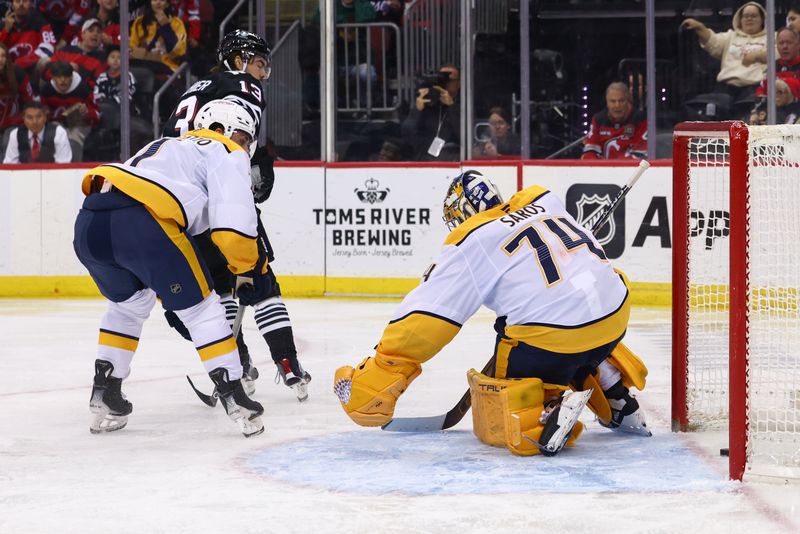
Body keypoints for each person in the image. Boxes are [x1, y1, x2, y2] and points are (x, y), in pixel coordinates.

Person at [333, 170, 650, 456]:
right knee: (569, 321)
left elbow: (424, 322)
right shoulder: (545, 201)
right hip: (615, 317)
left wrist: (380, 374)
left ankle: (546, 411)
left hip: (555, 336)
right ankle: (616, 395)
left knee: (497, 414)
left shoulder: (472, 240)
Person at [73, 99, 269, 437]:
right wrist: (248, 267)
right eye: (246, 138)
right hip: (143, 223)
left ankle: (105, 390)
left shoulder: (165, 144)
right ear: (226, 129)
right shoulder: (226, 151)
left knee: (127, 306)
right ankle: (234, 393)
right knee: (203, 310)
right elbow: (233, 227)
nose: (246, 148)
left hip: (91, 218)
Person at [162, 29, 312, 401]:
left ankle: (237, 364)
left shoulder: (193, 90)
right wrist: (260, 166)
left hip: (187, 205)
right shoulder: (243, 85)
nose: (263, 73)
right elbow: (240, 141)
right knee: (262, 284)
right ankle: (289, 365)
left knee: (220, 289)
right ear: (240, 59)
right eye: (260, 63)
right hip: (225, 197)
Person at [682, 2, 767, 103]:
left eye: (754, 16)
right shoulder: (730, 36)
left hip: (754, 90)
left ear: (762, 20)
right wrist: (699, 27)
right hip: (725, 89)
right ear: (740, 19)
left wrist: (757, 55)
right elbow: (713, 42)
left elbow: (779, 53)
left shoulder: (771, 37)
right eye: (746, 16)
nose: (749, 19)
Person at [39, 60, 100, 161]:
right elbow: (42, 115)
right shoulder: (47, 90)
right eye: (59, 77)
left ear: (72, 76)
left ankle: (73, 167)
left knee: (75, 137)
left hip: (80, 124)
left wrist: (87, 112)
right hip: (57, 123)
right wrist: (45, 114)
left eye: (66, 77)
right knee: (53, 132)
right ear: (53, 78)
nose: (63, 80)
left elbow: (97, 114)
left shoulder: (83, 89)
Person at [401, 63, 461, 161]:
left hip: (451, 162)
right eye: (441, 79)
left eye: (449, 80)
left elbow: (465, 137)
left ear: (459, 83)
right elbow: (407, 134)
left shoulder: (464, 106)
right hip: (424, 161)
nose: (445, 83)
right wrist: (417, 110)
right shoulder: (429, 103)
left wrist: (452, 106)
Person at [582, 82, 646, 160]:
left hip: (632, 170)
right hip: (604, 170)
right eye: (612, 101)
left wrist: (617, 167)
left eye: (621, 101)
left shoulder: (640, 119)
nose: (617, 105)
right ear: (607, 102)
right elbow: (590, 151)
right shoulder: (598, 119)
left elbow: (641, 153)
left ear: (628, 101)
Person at [3, 100, 71, 162]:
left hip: (52, 174)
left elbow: (63, 164)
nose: (34, 122)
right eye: (29, 117)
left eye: (38, 117)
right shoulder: (15, 134)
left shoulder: (58, 133)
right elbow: (11, 164)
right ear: (23, 119)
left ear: (45, 117)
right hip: (23, 174)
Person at [129, 0, 187, 74]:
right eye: (155, 0)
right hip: (143, 65)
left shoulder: (177, 23)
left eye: (162, 0)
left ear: (167, 3)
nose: (158, 2)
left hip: (169, 68)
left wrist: (166, 27)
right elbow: (132, 49)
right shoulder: (140, 22)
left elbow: (180, 51)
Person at [0, 0, 56, 73]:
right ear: (12, 5)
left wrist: (19, 64)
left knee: (46, 61)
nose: (21, 4)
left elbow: (48, 49)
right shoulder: (3, 26)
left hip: (32, 68)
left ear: (31, 4)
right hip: (6, 70)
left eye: (25, 1)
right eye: (17, 1)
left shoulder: (41, 23)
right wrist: (6, 31)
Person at [0, 41, 34, 132]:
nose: (0, 59)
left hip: (14, 122)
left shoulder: (18, 74)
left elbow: (30, 102)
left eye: (3, 56)